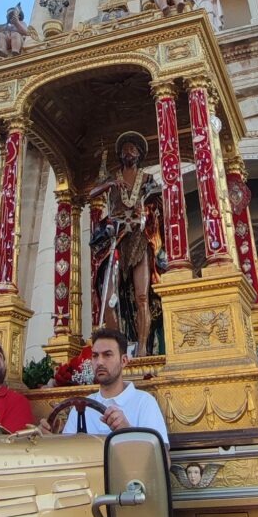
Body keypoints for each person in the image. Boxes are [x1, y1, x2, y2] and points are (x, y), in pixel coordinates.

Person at [89, 131, 164, 356]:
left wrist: (148, 209)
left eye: (133, 149)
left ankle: (142, 349)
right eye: (125, 149)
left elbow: (159, 200)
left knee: (142, 296)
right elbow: (93, 192)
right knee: (108, 297)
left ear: (139, 154)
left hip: (139, 237)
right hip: (116, 239)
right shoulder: (113, 177)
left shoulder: (148, 179)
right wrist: (110, 183)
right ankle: (117, 349)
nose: (128, 152)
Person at [59, 329, 168, 444]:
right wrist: (48, 439)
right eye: (95, 356)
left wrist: (127, 431)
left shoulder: (144, 402)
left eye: (107, 355)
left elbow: (162, 457)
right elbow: (67, 455)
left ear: (124, 360)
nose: (99, 362)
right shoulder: (81, 407)